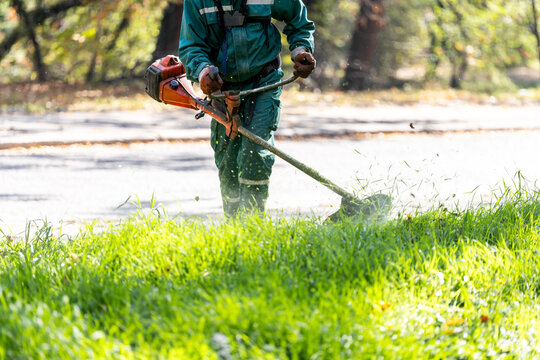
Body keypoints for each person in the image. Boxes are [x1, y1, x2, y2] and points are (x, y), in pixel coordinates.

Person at [179, 0, 315, 216]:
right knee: (228, 161)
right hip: (221, 88)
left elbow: (298, 20)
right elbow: (191, 46)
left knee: (255, 152)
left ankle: (252, 223)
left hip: (264, 81)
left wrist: (301, 50)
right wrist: (203, 71)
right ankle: (234, 227)